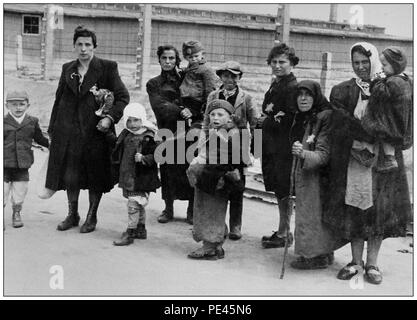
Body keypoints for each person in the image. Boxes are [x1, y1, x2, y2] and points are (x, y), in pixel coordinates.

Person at [323, 42, 412, 285]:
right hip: (356, 156)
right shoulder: (343, 91)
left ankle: (372, 263)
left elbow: (401, 121)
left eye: (365, 62)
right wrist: (365, 134)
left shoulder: (390, 87)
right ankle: (354, 262)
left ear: (374, 61)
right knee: (356, 207)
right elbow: (340, 123)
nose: (361, 67)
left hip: (385, 161)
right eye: (356, 63)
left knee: (379, 211)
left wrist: (384, 137)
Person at [46, 26, 130, 233]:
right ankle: (72, 214)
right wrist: (53, 128)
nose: (83, 49)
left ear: (94, 46)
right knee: (70, 175)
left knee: (95, 174)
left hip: (95, 132)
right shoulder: (68, 68)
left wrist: (109, 119)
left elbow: (122, 97)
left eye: (88, 45)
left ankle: (92, 216)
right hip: (69, 131)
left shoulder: (107, 68)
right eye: (79, 44)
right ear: (74, 46)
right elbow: (59, 99)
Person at [289, 81, 344, 270]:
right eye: (300, 94)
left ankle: (313, 256)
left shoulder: (324, 117)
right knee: (314, 212)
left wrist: (302, 154)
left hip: (318, 174)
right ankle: (323, 252)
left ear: (316, 96)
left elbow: (323, 154)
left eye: (308, 94)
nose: (303, 98)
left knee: (311, 213)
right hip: (312, 173)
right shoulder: (307, 116)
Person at [202, 60, 259, 240]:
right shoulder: (213, 96)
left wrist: (254, 149)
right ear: (220, 77)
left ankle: (236, 224)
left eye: (233, 76)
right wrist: (204, 142)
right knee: (217, 182)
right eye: (226, 75)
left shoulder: (246, 98)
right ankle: (219, 223)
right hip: (216, 144)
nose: (229, 79)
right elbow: (206, 120)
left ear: (239, 78)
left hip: (237, 144)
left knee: (237, 185)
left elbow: (255, 122)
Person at [187, 99, 247, 260]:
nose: (215, 117)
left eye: (220, 114)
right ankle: (217, 244)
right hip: (210, 177)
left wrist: (219, 174)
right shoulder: (215, 132)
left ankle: (209, 246)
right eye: (212, 114)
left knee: (211, 210)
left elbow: (236, 158)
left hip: (217, 178)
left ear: (230, 117)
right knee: (211, 209)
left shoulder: (232, 134)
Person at [146, 45, 195, 224]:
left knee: (189, 168)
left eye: (171, 58)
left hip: (188, 131)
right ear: (159, 60)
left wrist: (190, 110)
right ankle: (168, 209)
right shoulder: (153, 84)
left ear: (177, 60)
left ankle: (191, 211)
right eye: (164, 58)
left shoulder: (186, 79)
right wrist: (182, 109)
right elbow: (160, 108)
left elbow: (196, 98)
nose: (168, 62)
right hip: (167, 131)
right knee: (167, 171)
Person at [260, 43, 299, 248]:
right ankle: (283, 229)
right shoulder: (276, 84)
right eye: (273, 62)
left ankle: (285, 232)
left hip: (283, 147)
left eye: (282, 62)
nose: (277, 66)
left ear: (291, 64)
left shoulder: (292, 88)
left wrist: (266, 121)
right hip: (271, 145)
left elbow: (287, 120)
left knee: (284, 191)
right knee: (279, 190)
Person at [111, 103, 160, 246]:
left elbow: (158, 155)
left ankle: (130, 232)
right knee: (138, 204)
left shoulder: (149, 136)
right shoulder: (126, 134)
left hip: (141, 177)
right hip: (128, 175)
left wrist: (144, 158)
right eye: (129, 120)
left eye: (136, 120)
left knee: (133, 205)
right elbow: (117, 146)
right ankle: (141, 228)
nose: (132, 124)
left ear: (142, 119)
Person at [362, 46, 412, 172]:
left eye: (384, 65)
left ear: (395, 65)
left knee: (381, 131)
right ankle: (389, 158)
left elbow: (380, 93)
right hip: (403, 120)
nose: (382, 68)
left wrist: (376, 81)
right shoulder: (406, 80)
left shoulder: (393, 81)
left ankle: (389, 159)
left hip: (392, 122)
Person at [4, 90, 49, 228]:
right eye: (14, 104)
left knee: (20, 190)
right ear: (7, 106)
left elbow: (39, 138)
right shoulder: (3, 121)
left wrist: (52, 146)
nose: (18, 107)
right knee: (2, 191)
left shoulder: (32, 121)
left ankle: (16, 213)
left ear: (27, 105)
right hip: (4, 164)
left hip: (23, 164)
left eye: (21, 104)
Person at [179, 40, 217, 130]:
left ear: (202, 54)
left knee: (197, 127)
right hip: (187, 102)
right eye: (190, 57)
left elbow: (210, 90)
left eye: (196, 56)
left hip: (198, 105)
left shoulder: (206, 69)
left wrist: (204, 108)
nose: (194, 59)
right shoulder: (190, 66)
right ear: (185, 57)